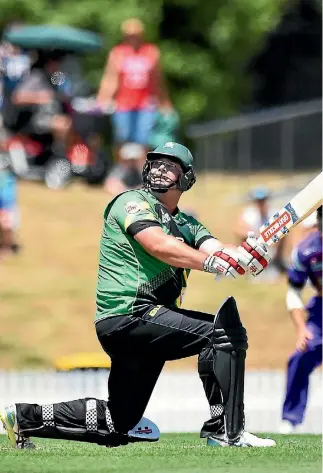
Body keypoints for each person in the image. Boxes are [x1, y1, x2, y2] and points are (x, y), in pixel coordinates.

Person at [0, 142, 276, 449]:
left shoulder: (188, 224)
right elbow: (157, 243)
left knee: (118, 424)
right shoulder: (130, 201)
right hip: (129, 315)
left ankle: (23, 417)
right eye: (156, 162)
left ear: (186, 177)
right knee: (222, 333)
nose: (159, 168)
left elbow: (217, 250)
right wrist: (215, 262)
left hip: (144, 328)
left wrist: (248, 255)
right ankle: (225, 429)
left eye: (169, 165)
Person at [97, 18, 173, 161]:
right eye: (129, 35)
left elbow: (158, 81)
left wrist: (165, 102)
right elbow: (110, 78)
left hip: (146, 103)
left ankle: (143, 170)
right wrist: (103, 98)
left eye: (135, 35)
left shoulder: (151, 52)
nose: (133, 38)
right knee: (122, 137)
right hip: (123, 103)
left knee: (144, 138)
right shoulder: (118, 53)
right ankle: (121, 170)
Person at [279, 206, 322, 434]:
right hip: (320, 315)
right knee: (300, 357)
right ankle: (290, 419)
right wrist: (301, 328)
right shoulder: (306, 251)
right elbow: (293, 292)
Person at [234, 187, 286, 281]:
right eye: (258, 201)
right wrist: (257, 235)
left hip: (271, 247)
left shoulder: (273, 213)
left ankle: (277, 263)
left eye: (262, 200)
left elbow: (283, 229)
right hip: (254, 248)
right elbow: (238, 229)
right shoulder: (248, 214)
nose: (260, 203)